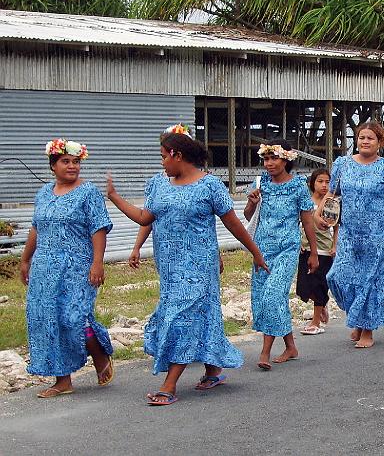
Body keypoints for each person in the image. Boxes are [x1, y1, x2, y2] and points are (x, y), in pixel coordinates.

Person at [106, 124, 268, 406]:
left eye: (163, 157)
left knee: (181, 317)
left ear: (177, 155)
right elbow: (145, 218)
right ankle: (213, 370)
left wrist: (255, 252)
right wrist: (115, 198)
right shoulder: (160, 185)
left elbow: (234, 226)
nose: (162, 163)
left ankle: (169, 384)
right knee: (200, 315)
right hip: (169, 265)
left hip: (199, 265)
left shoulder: (209, 185)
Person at [20, 139, 114, 398]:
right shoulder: (43, 194)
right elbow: (36, 228)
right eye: (66, 161)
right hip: (44, 268)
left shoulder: (89, 193)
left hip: (77, 267)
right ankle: (63, 380)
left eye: (76, 162)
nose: (72, 166)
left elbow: (98, 228)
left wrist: (97, 262)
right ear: (53, 166)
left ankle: (98, 351)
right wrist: (26, 259)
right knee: (48, 320)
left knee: (73, 317)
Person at [317, 121, 384, 349]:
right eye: (361, 138)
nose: (365, 141)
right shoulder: (343, 165)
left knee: (370, 280)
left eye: (370, 138)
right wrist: (319, 215)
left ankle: (367, 330)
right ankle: (358, 315)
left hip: (378, 236)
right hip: (348, 233)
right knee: (337, 276)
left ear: (379, 143)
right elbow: (331, 193)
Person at [244, 139, 318, 370]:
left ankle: (264, 352)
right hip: (262, 250)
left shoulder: (298, 186)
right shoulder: (261, 184)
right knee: (268, 298)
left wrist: (314, 252)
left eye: (273, 158)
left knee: (272, 296)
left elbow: (307, 220)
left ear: (286, 159)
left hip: (287, 250)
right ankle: (291, 346)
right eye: (266, 159)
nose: (269, 163)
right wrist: (252, 203)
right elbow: (249, 218)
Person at [297, 168, 338, 336]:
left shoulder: (332, 203)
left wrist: (335, 246)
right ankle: (322, 304)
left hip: (324, 250)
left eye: (327, 182)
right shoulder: (306, 202)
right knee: (303, 287)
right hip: (306, 247)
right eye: (320, 181)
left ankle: (315, 322)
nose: (324, 185)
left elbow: (337, 227)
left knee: (319, 284)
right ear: (312, 183)